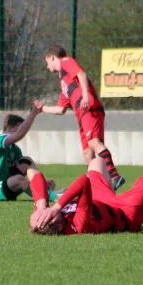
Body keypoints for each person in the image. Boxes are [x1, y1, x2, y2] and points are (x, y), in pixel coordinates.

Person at [29, 156, 143, 235]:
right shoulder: (78, 226)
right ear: (60, 227)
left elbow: (35, 175)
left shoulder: (44, 217)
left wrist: (42, 205)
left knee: (96, 161)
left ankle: (113, 186)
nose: (49, 216)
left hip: (101, 201)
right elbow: (83, 182)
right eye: (52, 219)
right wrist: (55, 207)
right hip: (125, 213)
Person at [34, 45, 125, 191]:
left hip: (89, 109)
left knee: (94, 143)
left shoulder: (66, 61)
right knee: (87, 153)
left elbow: (81, 74)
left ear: (52, 57)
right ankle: (96, 188)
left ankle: (114, 176)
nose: (47, 66)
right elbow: (61, 109)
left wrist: (85, 94)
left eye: (47, 62)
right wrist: (42, 109)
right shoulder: (64, 82)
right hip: (82, 116)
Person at [0, 104, 62, 202]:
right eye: (20, 127)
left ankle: (44, 189)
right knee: (18, 179)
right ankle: (53, 197)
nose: (23, 131)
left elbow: (22, 169)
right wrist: (33, 114)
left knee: (26, 161)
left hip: (7, 187)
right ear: (10, 127)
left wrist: (43, 183)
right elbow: (19, 134)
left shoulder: (15, 150)